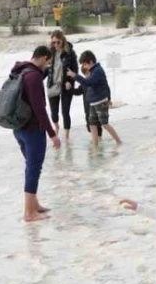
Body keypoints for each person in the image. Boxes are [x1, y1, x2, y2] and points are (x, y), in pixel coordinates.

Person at [10, 46, 61, 222]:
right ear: (44, 58)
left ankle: (34, 205)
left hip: (18, 129)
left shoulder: (22, 71)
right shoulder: (33, 78)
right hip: (33, 130)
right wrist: (52, 134)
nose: (47, 66)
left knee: (30, 166)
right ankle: (29, 213)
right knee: (33, 169)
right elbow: (40, 109)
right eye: (48, 62)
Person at [73, 50, 122, 147]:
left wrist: (75, 76)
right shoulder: (92, 71)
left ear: (91, 62)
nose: (84, 67)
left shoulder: (98, 71)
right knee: (92, 125)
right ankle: (95, 147)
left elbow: (88, 83)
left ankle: (118, 142)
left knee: (104, 124)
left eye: (85, 64)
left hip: (101, 102)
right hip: (93, 103)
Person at [45, 31, 79, 141]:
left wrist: (71, 82)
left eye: (58, 42)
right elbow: (45, 69)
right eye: (53, 42)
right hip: (53, 85)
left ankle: (67, 136)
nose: (56, 45)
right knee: (54, 113)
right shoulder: (50, 53)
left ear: (62, 41)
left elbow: (75, 70)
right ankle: (56, 126)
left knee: (65, 111)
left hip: (66, 86)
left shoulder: (70, 53)